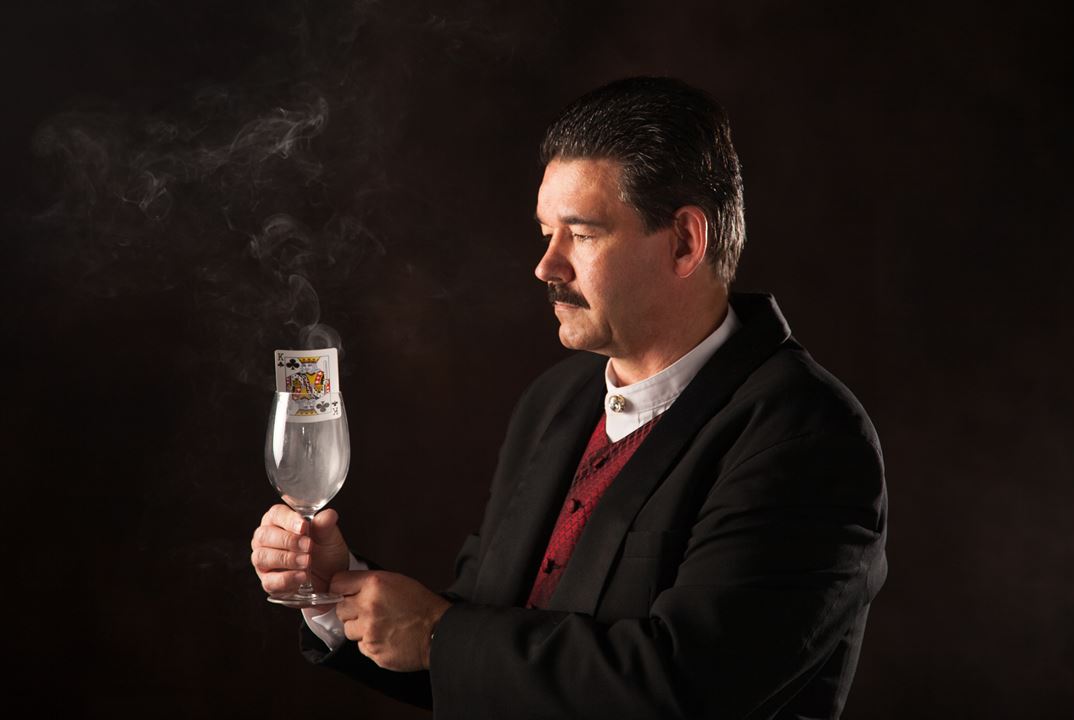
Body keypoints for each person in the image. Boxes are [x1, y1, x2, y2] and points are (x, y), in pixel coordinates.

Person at [250, 77, 887, 720]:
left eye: (580, 234)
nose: (546, 266)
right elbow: (477, 653)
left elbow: (687, 689)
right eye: (545, 233)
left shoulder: (806, 435)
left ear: (685, 242)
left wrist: (439, 635)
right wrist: (337, 590)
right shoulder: (553, 401)